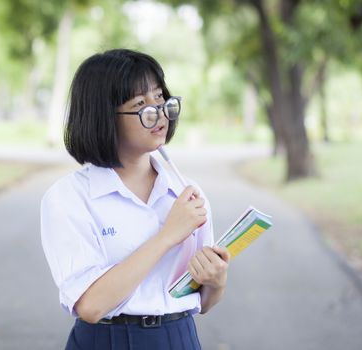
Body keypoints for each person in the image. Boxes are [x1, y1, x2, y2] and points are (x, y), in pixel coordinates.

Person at [41, 49, 230, 350]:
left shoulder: (184, 190)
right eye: (141, 104)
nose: (159, 114)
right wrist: (167, 235)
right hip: (108, 339)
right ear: (103, 116)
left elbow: (202, 302)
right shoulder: (68, 198)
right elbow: (91, 305)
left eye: (160, 99)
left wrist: (216, 281)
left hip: (180, 336)